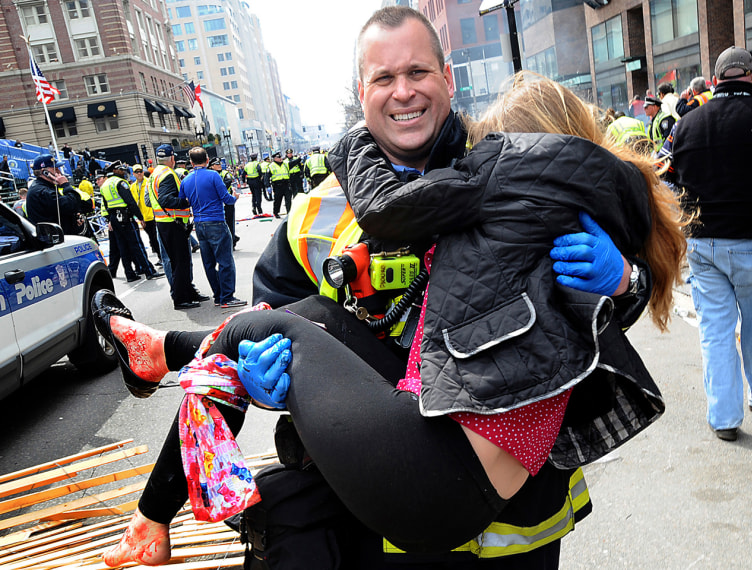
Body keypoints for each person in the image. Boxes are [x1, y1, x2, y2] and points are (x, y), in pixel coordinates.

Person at [98, 9, 682, 570]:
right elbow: (274, 322)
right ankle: (161, 413)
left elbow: (577, 318)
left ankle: (161, 356)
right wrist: (266, 383)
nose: (403, 92)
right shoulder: (315, 212)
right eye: (384, 77)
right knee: (275, 330)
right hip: (378, 509)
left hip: (516, 514)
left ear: (446, 79)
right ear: (363, 91)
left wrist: (625, 282)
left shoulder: (496, 166)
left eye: (418, 72)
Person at [668, 46, 752, 442]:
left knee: (716, 331)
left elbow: (664, 176)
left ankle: (724, 419)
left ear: (716, 78)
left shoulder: (686, 124)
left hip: (704, 245)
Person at [180, 147, 246, 309]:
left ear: (191, 162)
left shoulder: (186, 180)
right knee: (225, 261)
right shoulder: (213, 176)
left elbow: (183, 202)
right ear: (207, 160)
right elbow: (226, 199)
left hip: (199, 224)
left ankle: (218, 295)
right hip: (216, 221)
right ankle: (227, 297)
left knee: (208, 262)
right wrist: (235, 197)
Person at [147, 144, 205, 310]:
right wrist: (186, 202)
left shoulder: (155, 173)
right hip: (172, 223)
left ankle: (188, 293)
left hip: (165, 222)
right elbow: (166, 200)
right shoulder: (167, 174)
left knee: (180, 261)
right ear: (172, 158)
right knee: (180, 262)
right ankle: (181, 299)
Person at [99, 161, 163, 282]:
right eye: (121, 170)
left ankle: (130, 274)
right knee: (137, 245)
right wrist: (140, 217)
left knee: (123, 247)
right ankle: (149, 271)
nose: (123, 172)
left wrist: (110, 220)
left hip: (114, 218)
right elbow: (131, 202)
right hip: (125, 217)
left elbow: (105, 204)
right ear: (115, 170)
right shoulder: (120, 183)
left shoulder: (105, 185)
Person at [25, 154, 91, 235]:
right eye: (55, 169)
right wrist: (65, 185)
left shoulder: (44, 188)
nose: (59, 172)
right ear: (44, 172)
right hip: (54, 239)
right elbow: (71, 205)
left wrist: (73, 218)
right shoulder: (43, 191)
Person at [209, 157, 240, 248]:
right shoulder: (210, 175)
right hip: (216, 203)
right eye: (216, 164)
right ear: (211, 166)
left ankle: (232, 242)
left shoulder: (225, 173)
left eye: (219, 164)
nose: (219, 166)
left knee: (230, 222)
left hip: (227, 201)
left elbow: (227, 183)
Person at [130, 164, 160, 259]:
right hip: (144, 218)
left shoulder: (149, 182)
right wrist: (139, 218)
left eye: (140, 171)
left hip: (154, 215)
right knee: (152, 239)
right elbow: (134, 204)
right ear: (133, 174)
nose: (139, 173)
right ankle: (161, 257)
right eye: (137, 172)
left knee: (157, 238)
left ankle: (164, 257)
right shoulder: (133, 187)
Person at [267, 151, 291, 218]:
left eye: (280, 157)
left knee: (288, 199)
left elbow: (291, 164)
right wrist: (268, 186)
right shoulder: (271, 166)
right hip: (277, 185)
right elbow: (267, 176)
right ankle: (276, 212)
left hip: (286, 184)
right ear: (275, 158)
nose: (280, 158)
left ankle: (289, 212)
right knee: (278, 200)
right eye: (278, 157)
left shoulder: (285, 164)